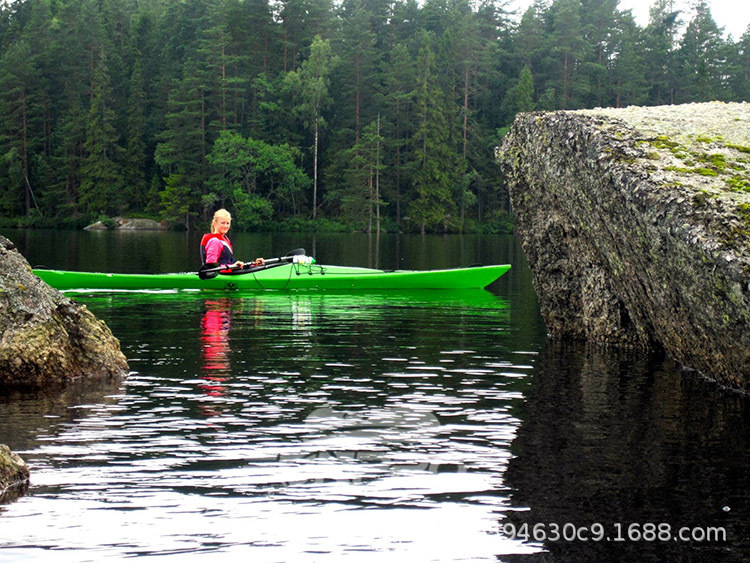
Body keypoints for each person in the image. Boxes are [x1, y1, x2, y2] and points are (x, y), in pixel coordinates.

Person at [200, 209, 264, 271]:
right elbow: (211, 268)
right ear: (215, 223)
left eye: (227, 223)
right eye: (223, 223)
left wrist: (254, 264)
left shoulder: (224, 239)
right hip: (219, 275)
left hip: (227, 272)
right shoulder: (214, 241)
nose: (225, 226)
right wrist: (231, 268)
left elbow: (230, 262)